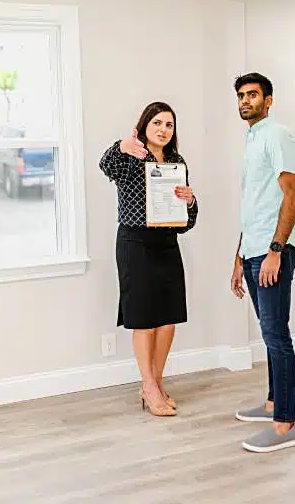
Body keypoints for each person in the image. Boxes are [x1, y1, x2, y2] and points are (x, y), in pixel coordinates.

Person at [99, 101, 198, 417]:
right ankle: (149, 386)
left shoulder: (177, 162)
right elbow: (105, 165)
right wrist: (121, 145)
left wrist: (190, 202)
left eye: (169, 125)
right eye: (157, 123)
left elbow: (186, 223)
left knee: (168, 319)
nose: (163, 129)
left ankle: (154, 382)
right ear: (144, 125)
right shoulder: (131, 156)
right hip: (135, 244)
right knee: (144, 318)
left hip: (167, 244)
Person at [230, 72, 295, 453]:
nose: (245, 101)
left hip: (273, 250)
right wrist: (239, 256)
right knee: (269, 332)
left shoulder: (277, 136)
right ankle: (275, 404)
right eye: (241, 96)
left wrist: (276, 249)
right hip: (254, 248)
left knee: (277, 334)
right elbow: (255, 205)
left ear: (268, 100)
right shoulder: (253, 139)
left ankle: (285, 424)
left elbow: (292, 195)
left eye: (253, 94)